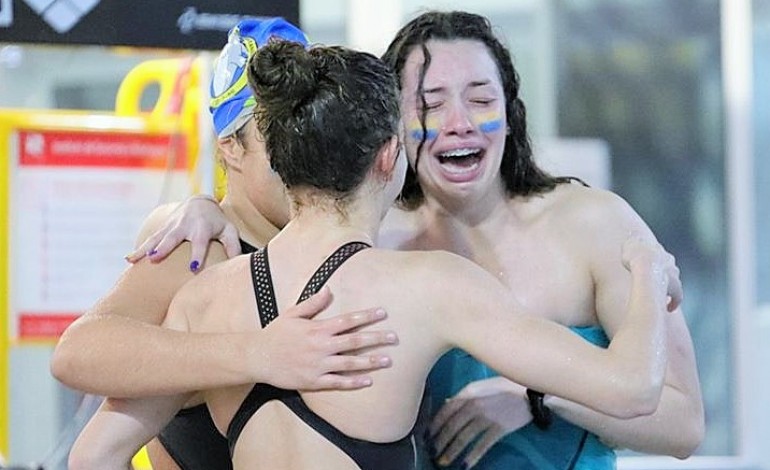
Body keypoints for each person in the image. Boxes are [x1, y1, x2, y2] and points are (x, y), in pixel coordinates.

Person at [69, 38, 682, 470]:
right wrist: (651, 271)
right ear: (390, 156)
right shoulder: (430, 285)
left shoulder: (204, 297)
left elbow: (93, 456)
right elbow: (632, 389)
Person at [52, 18, 400, 470]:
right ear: (231, 147)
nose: (301, 147)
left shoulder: (336, 245)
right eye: (275, 132)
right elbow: (78, 353)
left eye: (308, 124)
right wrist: (258, 353)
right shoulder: (203, 248)